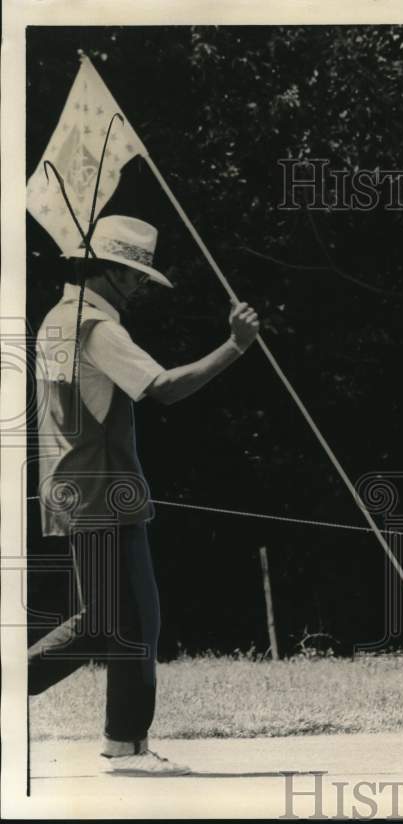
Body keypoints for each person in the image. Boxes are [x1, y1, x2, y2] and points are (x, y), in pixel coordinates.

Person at [29, 215, 261, 776]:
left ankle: (125, 743)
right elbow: (164, 388)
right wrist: (236, 345)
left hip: (77, 485)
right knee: (117, 622)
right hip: (102, 487)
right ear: (106, 271)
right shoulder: (97, 327)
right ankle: (126, 745)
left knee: (121, 620)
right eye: (133, 275)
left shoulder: (58, 319)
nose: (139, 287)